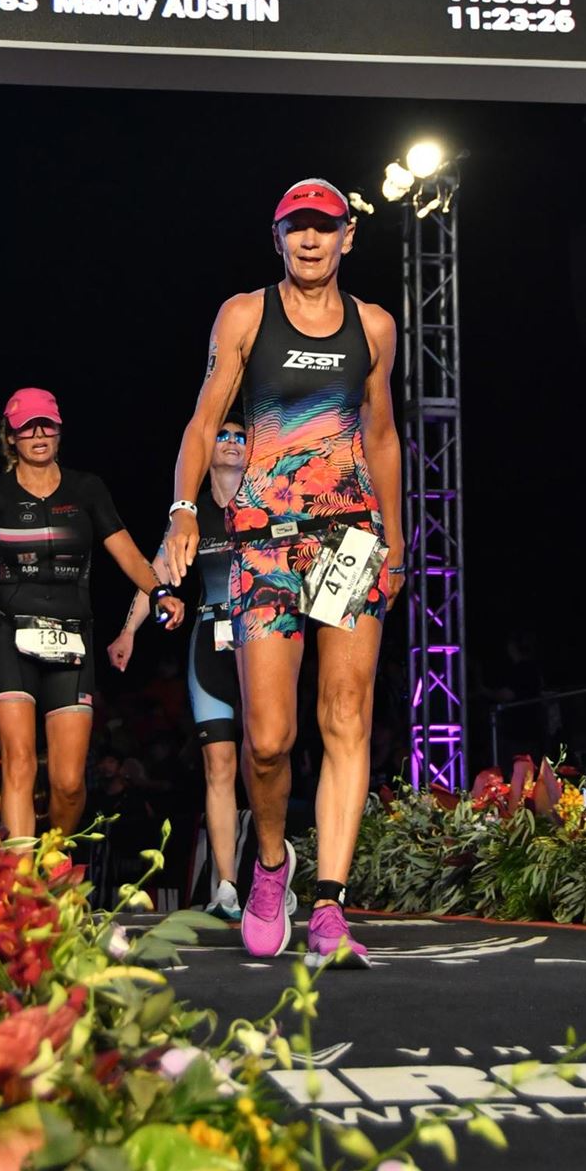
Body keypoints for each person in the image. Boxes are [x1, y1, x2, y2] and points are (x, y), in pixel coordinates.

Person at [165, 179, 403, 966]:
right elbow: (204, 423)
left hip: (349, 539)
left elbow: (382, 435)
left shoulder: (375, 325)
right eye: (297, 227)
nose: (310, 239)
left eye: (324, 228)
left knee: (347, 716)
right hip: (264, 541)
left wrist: (396, 541)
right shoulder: (244, 315)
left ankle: (330, 906)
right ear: (278, 237)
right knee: (268, 740)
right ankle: (272, 864)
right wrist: (183, 509)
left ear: (346, 238)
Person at [0, 387, 182, 840]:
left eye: (47, 424)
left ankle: (54, 859)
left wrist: (159, 591)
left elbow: (125, 549)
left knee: (68, 783)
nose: (39, 434)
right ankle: (23, 875)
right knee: (19, 764)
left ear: (60, 431)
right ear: (10, 437)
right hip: (11, 638)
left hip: (72, 639)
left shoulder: (87, 489)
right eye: (27, 427)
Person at [109, 413, 249, 920]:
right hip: (210, 644)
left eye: (240, 437)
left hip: (265, 641)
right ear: (205, 449)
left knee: (266, 758)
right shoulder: (190, 518)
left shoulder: (268, 502)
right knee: (219, 765)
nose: (231, 443)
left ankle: (272, 872)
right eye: (222, 435)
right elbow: (156, 575)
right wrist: (128, 631)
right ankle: (226, 886)